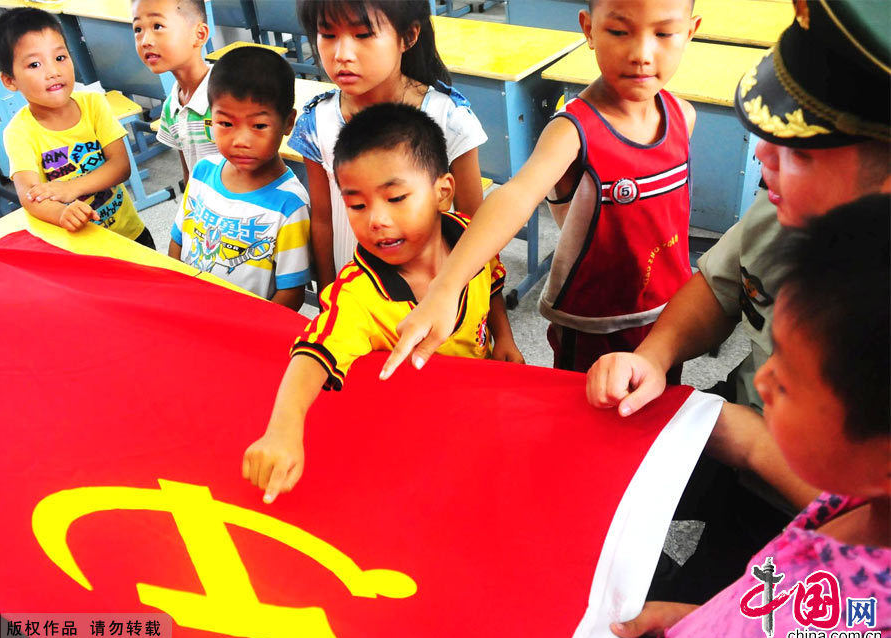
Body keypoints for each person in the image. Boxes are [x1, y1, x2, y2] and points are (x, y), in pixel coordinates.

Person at [583, 0, 891, 603]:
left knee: (718, 601)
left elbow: (874, 527)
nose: (761, 160)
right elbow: (721, 288)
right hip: (737, 427)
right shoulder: (791, 208)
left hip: (811, 526)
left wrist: (749, 441)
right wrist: (654, 353)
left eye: (799, 152)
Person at [611, 194, 890, 638]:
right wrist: (707, 618)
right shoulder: (843, 520)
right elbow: (770, 617)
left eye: (793, 378)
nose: (760, 376)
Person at [379, 0, 701, 378]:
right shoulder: (573, 131)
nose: (642, 55)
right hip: (592, 325)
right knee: (586, 423)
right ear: (589, 30)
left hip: (667, 315)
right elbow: (516, 197)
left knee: (657, 419)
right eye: (619, 31)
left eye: (663, 34)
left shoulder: (683, 116)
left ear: (690, 32)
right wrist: (447, 286)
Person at [243, 103, 521, 503]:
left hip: (480, 407)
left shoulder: (470, 237)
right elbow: (313, 353)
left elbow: (492, 280)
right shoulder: (360, 295)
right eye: (356, 204)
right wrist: (283, 428)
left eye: (395, 198)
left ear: (443, 192)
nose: (375, 219)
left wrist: (504, 338)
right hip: (415, 438)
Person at [290, 0, 489, 294]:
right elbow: (322, 221)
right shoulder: (317, 120)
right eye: (328, 35)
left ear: (408, 36)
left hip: (436, 299)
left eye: (363, 35)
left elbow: (477, 229)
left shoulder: (448, 118)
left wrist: (498, 326)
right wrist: (328, 295)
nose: (342, 55)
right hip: (356, 300)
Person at [0, 8, 152, 247]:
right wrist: (60, 214)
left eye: (60, 58)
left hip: (130, 234)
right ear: (10, 80)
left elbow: (120, 166)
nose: (53, 72)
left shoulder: (93, 104)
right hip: (81, 248)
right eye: (35, 64)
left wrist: (70, 188)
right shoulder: (19, 133)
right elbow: (30, 195)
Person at [168, 47, 311, 309]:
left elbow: (291, 294)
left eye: (258, 126)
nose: (241, 141)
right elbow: (178, 241)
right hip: (188, 309)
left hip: (243, 331)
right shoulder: (202, 171)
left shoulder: (290, 205)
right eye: (225, 124)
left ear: (288, 122)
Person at [133, 0, 218, 187]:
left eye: (157, 26)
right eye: (138, 29)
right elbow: (189, 170)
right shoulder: (172, 105)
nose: (145, 41)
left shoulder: (228, 97)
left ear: (199, 35)